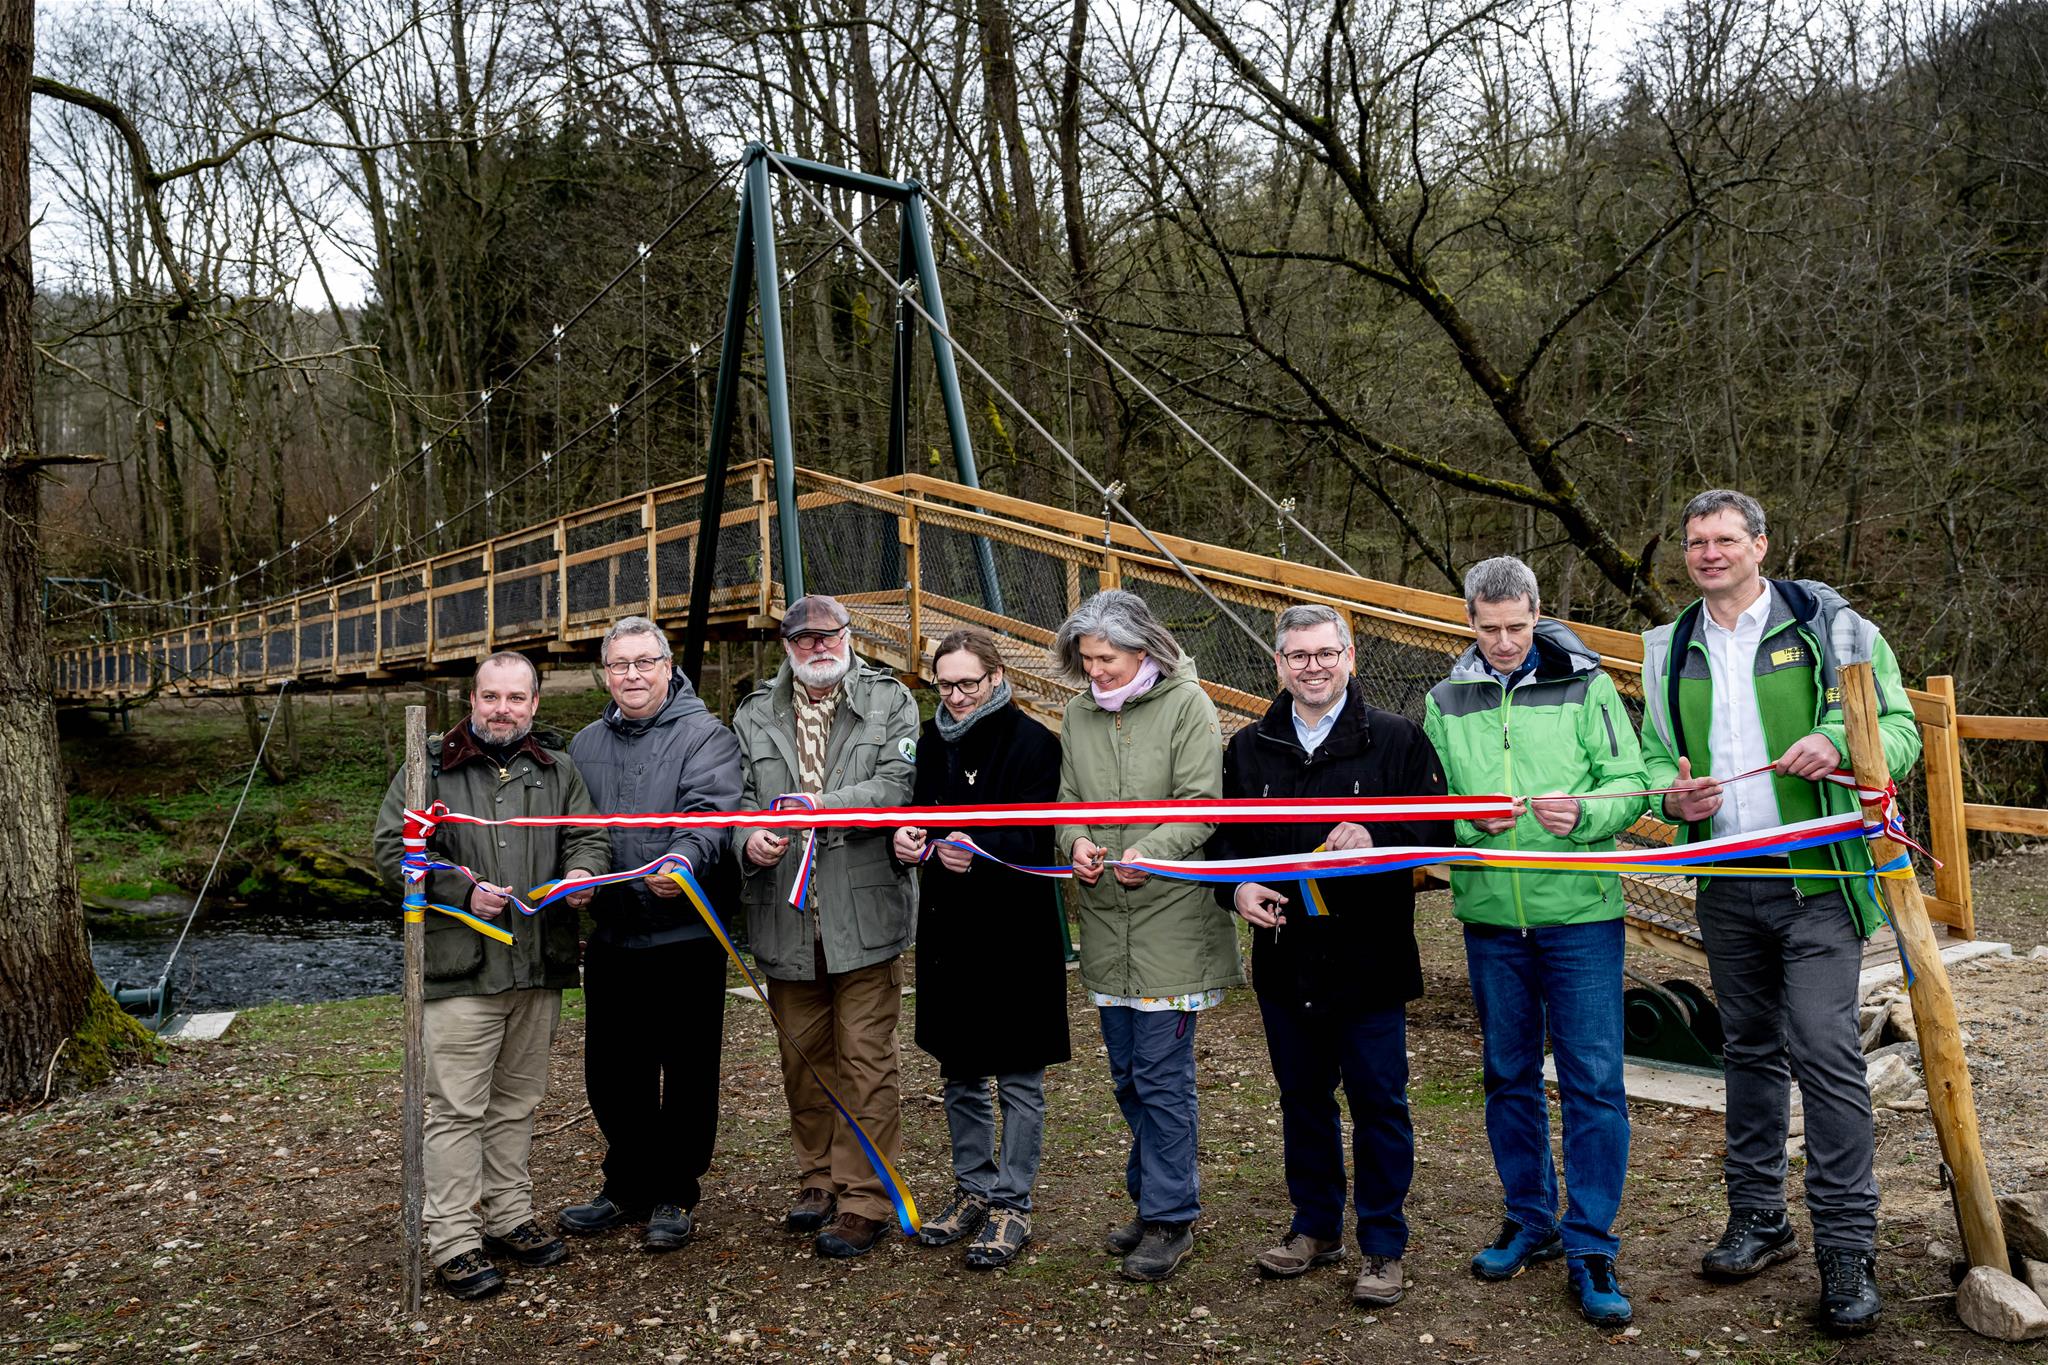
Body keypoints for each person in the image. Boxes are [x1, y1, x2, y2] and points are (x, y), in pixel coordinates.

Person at [1643, 489, 1918, 1336]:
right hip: (1725, 881)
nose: (1709, 552)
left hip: (1817, 883)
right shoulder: (1669, 647)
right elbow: (1655, 754)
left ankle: (1847, 1247)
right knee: (1749, 1050)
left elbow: (1898, 729)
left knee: (1826, 1051)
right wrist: (1673, 795)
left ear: (1761, 545)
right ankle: (1760, 1218)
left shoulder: (1831, 629)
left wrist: (1840, 742)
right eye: (1696, 541)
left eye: (1726, 538)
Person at [1422, 557, 1646, 1330]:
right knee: (1507, 1073)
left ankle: (1591, 1243)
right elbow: (1426, 804)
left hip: (1580, 912)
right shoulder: (1445, 699)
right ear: (1470, 623)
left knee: (1592, 1078)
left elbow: (1632, 780)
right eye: (1490, 628)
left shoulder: (1588, 685)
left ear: (1538, 612)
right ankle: (1531, 1217)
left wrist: (1583, 813)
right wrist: (1462, 823)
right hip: (1490, 916)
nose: (1507, 641)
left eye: (1518, 625)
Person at [1211, 604, 1450, 1307]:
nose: (1311, 666)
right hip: (1286, 957)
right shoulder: (1250, 746)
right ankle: (1315, 1226)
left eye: (1324, 652)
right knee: (1302, 1098)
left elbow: (1439, 828)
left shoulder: (1399, 739)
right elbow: (1223, 842)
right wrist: (1238, 888)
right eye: (1297, 655)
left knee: (1379, 1102)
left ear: (1350, 656)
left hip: (1368, 956)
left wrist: (1377, 833)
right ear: (1278, 664)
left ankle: (1382, 1242)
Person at [372, 651, 609, 1300]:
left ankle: (508, 1217)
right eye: (490, 696)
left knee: (517, 1102)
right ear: (471, 700)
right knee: (455, 1108)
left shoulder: (557, 768)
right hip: (461, 970)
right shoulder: (427, 767)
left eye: (516, 697)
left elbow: (589, 837)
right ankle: (453, 1240)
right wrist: (459, 890)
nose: (502, 708)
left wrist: (585, 873)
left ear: (534, 704)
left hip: (538, 965)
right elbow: (393, 852)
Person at [1052, 588, 1239, 1283]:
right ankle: (1153, 1195)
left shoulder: (1188, 705)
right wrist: (1075, 843)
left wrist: (1151, 852)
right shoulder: (1076, 713)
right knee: (1129, 1076)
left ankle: (1170, 1216)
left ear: (1141, 650)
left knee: (1162, 1079)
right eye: (1086, 659)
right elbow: (1067, 803)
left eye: (1105, 658)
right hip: (1106, 925)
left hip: (1172, 924)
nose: (1094, 670)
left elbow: (1203, 804)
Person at [731, 594, 920, 1260]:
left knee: (866, 1060)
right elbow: (739, 803)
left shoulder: (891, 700)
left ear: (848, 636)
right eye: (803, 638)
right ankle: (818, 1177)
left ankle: (866, 1195)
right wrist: (749, 841)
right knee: (802, 1060)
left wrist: (821, 806)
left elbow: (896, 785)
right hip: (784, 914)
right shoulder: (754, 712)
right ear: (786, 645)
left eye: (828, 635)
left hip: (862, 911)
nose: (817, 647)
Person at [555, 616, 744, 1251]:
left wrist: (685, 861)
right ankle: (627, 1183)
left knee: (688, 1070)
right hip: (613, 935)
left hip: (684, 934)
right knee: (612, 1070)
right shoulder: (583, 744)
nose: (631, 675)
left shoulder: (706, 735)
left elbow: (710, 815)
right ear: (604, 674)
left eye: (643, 662)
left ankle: (674, 1192)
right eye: (619, 665)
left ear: (667, 666)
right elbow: (574, 827)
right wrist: (574, 874)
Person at [891, 629, 1070, 1270]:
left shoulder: (1035, 742)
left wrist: (983, 853)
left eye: (970, 683)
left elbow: (1039, 840)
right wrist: (907, 842)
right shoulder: (933, 737)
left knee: (1019, 1076)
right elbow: (915, 815)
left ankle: (1013, 1202)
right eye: (946, 685)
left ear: (996, 675)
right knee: (960, 1071)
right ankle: (973, 1185)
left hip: (1016, 932)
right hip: (949, 931)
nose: (958, 696)